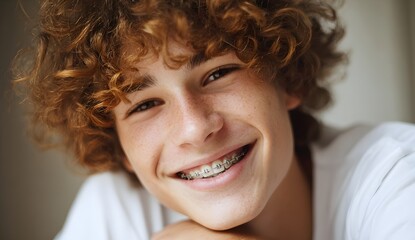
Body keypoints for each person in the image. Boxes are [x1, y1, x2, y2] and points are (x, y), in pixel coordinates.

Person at [13, 0, 415, 239]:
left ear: (288, 78)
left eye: (218, 74)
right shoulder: (115, 209)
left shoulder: (394, 172)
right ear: (119, 149)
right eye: (144, 105)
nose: (195, 127)